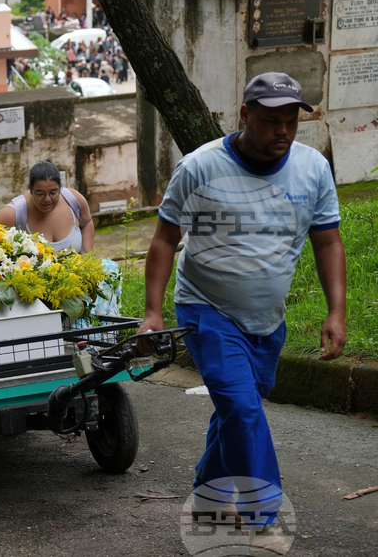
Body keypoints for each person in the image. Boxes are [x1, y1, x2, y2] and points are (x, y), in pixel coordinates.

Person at [139, 73, 346, 543]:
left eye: (291, 122)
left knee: (238, 408)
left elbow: (328, 240)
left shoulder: (312, 168)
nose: (283, 132)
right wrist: (152, 312)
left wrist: (337, 312)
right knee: (242, 408)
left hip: (266, 320)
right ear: (244, 115)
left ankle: (209, 497)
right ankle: (263, 516)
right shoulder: (200, 168)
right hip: (205, 308)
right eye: (271, 121)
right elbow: (165, 240)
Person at [0, 161, 94, 252]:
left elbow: (86, 221)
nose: (47, 199)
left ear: (60, 187)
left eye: (53, 193)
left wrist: (87, 254)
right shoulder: (12, 215)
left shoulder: (74, 200)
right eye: (40, 194)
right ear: (30, 189)